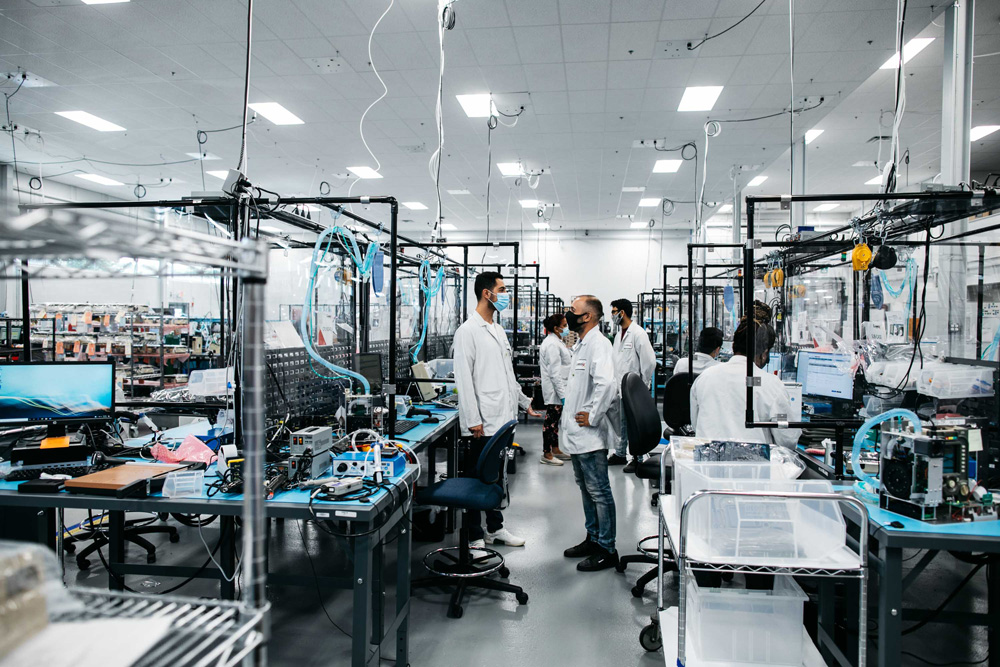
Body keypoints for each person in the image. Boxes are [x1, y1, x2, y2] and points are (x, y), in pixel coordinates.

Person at [453, 271, 543, 548]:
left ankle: (494, 529)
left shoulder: (498, 329)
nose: (506, 295)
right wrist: (472, 421)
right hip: (482, 423)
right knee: (475, 481)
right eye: (502, 290)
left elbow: (507, 375)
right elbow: (464, 381)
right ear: (486, 293)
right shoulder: (467, 331)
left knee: (495, 478)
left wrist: (525, 402)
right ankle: (473, 538)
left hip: (503, 420)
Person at [560, 295, 619, 572]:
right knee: (586, 489)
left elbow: (606, 383)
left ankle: (607, 548)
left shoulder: (599, 344)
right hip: (577, 434)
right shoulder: (582, 344)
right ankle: (593, 538)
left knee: (599, 491)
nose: (569, 314)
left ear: (589, 317)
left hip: (590, 434)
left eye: (573, 311)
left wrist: (593, 415)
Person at [689, 302, 801, 448]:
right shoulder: (771, 384)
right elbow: (788, 438)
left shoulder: (705, 378)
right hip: (755, 468)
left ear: (734, 345)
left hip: (706, 467)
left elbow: (697, 424)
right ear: (764, 352)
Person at [606, 299, 656, 473]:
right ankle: (620, 454)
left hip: (634, 389)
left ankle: (638, 458)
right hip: (621, 387)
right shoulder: (620, 333)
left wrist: (643, 385)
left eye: (614, 312)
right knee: (623, 423)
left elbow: (649, 362)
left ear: (623, 313)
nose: (612, 315)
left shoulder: (638, 333)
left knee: (635, 424)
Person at [539, 312, 572, 466]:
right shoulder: (552, 344)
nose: (567, 328)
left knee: (555, 422)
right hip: (555, 390)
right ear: (556, 328)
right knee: (550, 422)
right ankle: (547, 453)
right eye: (564, 325)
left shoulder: (557, 341)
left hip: (559, 388)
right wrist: (563, 395)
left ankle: (556, 449)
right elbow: (554, 373)